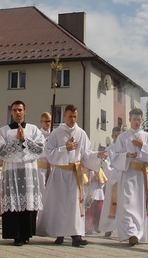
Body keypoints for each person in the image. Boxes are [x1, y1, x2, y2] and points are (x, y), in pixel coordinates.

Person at [37, 104, 103, 247]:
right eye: (70, 116)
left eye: (75, 116)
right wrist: (64, 148)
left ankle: (76, 236)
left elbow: (86, 154)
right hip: (60, 172)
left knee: (75, 205)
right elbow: (48, 153)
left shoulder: (81, 133)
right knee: (60, 204)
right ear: (64, 116)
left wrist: (98, 155)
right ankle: (59, 234)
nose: (73, 119)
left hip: (74, 173)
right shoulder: (56, 133)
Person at [0, 100, 45, 246]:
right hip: (12, 171)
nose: (18, 113)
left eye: (20, 110)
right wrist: (16, 142)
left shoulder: (34, 129)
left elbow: (40, 149)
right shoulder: (3, 131)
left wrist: (25, 140)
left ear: (25, 111)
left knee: (28, 201)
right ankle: (16, 235)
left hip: (29, 171)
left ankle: (26, 234)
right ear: (11, 112)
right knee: (13, 201)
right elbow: (1, 151)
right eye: (15, 110)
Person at [108, 108, 148, 246]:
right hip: (127, 173)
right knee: (127, 204)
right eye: (134, 119)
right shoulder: (123, 137)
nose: (137, 122)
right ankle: (131, 233)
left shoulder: (146, 136)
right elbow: (115, 156)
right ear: (129, 120)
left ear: (142, 120)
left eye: (139, 119)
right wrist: (126, 155)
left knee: (138, 205)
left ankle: (138, 232)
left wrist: (142, 146)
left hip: (140, 177)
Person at [100, 127, 122, 238]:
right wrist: (116, 175)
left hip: (124, 181)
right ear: (112, 136)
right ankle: (109, 228)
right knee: (110, 204)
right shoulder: (109, 149)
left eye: (120, 135)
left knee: (124, 205)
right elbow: (106, 164)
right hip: (113, 181)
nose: (118, 137)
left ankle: (125, 228)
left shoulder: (125, 149)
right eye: (116, 135)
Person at [37, 112, 52, 196]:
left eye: (49, 121)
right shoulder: (38, 135)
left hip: (52, 166)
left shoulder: (54, 134)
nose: (48, 123)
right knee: (42, 190)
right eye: (46, 121)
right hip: (41, 167)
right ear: (41, 121)